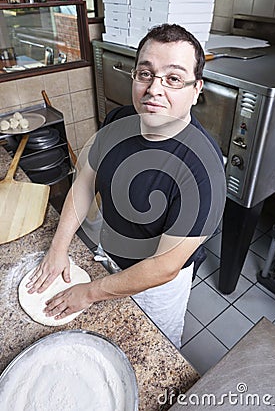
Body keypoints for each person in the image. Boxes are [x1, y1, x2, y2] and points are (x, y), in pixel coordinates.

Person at [27, 24, 226, 348]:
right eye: (145, 74)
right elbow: (85, 182)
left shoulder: (203, 170)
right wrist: (59, 247)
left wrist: (89, 293)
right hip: (112, 252)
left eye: (173, 78)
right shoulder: (119, 120)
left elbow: (164, 266)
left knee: (147, 348)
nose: (154, 89)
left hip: (156, 287)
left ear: (196, 88)